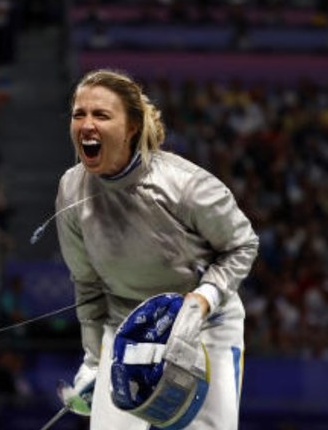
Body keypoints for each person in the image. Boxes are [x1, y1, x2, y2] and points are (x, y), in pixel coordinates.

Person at [54, 68, 259, 429]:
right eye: (78, 114)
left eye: (101, 115)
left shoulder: (184, 185)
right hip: (125, 329)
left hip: (202, 326)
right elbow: (87, 284)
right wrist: (92, 360)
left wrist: (204, 299)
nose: (86, 124)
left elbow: (242, 244)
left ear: (132, 126)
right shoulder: (71, 190)